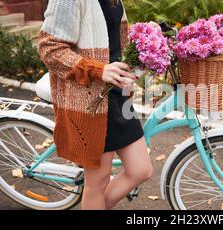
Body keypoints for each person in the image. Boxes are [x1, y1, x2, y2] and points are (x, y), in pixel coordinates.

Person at [38, 0, 152, 210]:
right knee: (98, 182)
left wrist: (147, 42)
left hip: (117, 94)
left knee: (141, 170)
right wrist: (98, 70)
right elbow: (49, 48)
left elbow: (114, 39)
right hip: (90, 101)